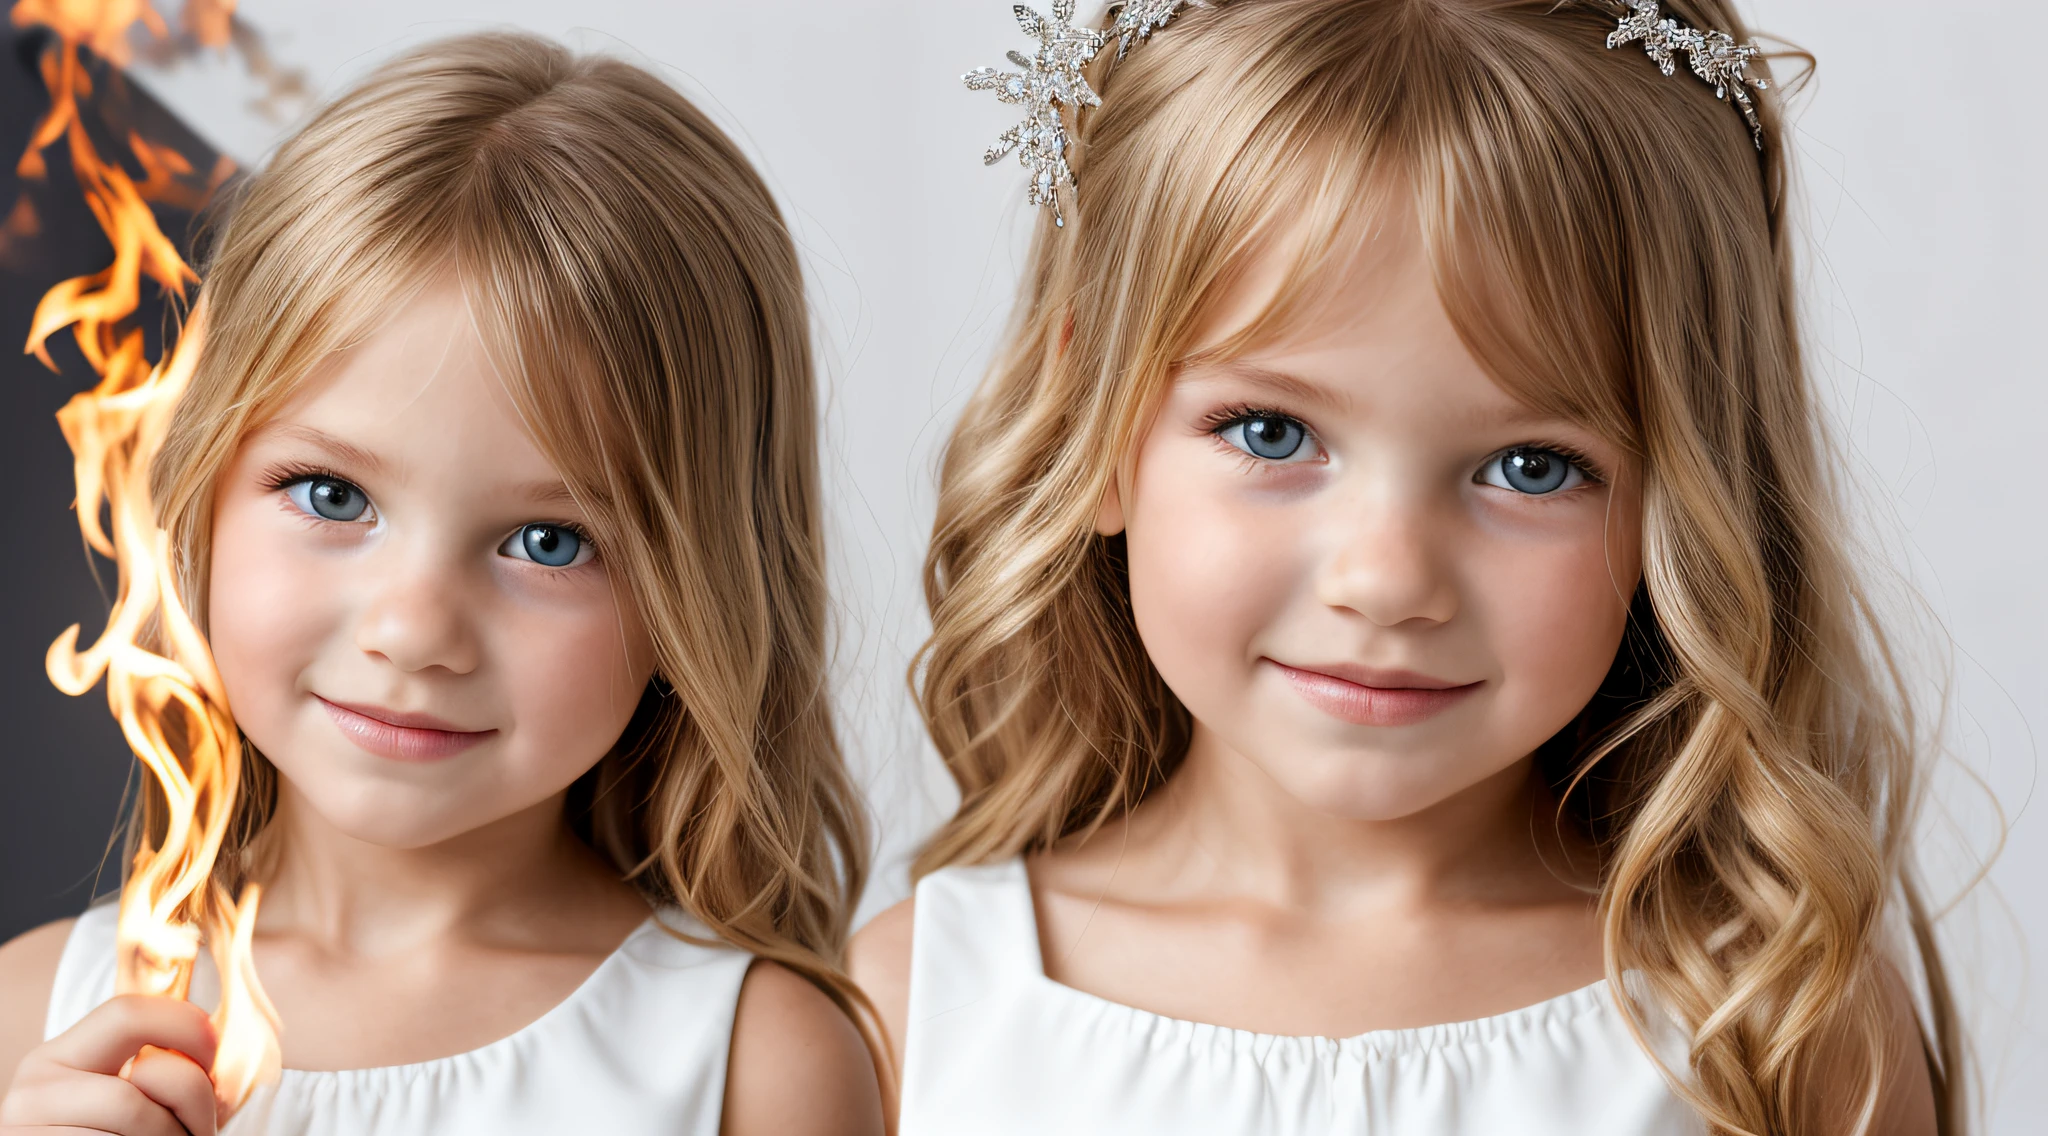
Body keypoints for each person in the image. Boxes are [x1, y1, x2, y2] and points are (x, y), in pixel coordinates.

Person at [851, 2, 1958, 1133]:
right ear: (1093, 419)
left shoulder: (1771, 1021)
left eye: (1529, 465)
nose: (1384, 581)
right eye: (1271, 432)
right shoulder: (905, 1019)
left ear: (1683, 490)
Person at [0, 30, 883, 1136]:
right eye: (330, 495)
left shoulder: (759, 1061)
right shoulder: (37, 1018)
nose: (414, 629)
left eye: (548, 542)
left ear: (697, 593)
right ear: (200, 490)